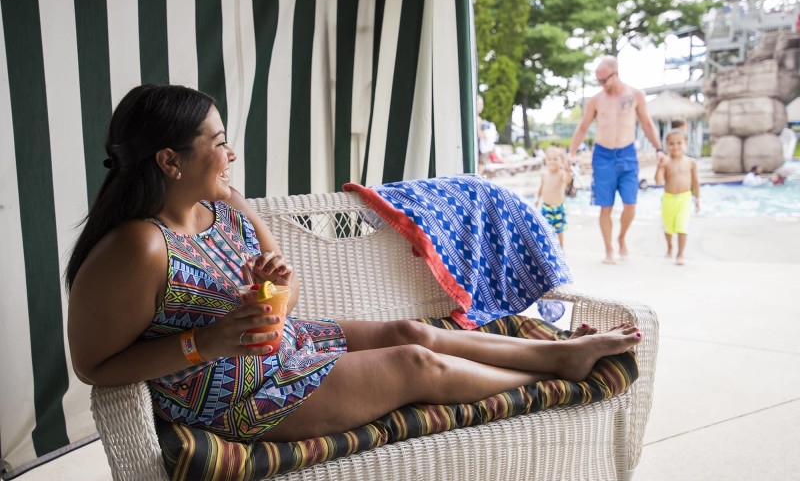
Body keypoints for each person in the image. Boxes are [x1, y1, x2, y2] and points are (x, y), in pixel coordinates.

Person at [66, 84, 643, 444]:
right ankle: (554, 373)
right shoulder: (139, 247)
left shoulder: (226, 205)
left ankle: (556, 352)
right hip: (227, 393)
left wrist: (275, 291)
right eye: (217, 141)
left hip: (284, 344)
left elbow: (285, 296)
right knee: (416, 362)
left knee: (409, 329)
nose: (230, 153)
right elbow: (94, 365)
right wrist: (206, 343)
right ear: (169, 160)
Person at [568, 55, 664, 264]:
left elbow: (647, 124)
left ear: (616, 74)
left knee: (630, 204)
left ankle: (621, 238)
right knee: (606, 206)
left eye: (604, 80)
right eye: (598, 81)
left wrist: (659, 148)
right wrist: (571, 152)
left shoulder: (636, 95)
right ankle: (609, 249)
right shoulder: (596, 100)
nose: (601, 85)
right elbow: (583, 127)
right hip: (603, 155)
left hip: (627, 153)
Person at [654, 130, 699, 266]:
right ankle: (670, 247)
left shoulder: (691, 162)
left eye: (679, 143)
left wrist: (697, 198)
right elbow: (658, 181)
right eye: (672, 144)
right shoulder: (666, 162)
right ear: (666, 145)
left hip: (685, 198)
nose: (675, 146)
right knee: (668, 227)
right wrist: (659, 166)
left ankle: (680, 254)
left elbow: (695, 181)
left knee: (682, 225)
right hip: (668, 198)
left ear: (686, 144)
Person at [535, 146, 571, 248]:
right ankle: (548, 247)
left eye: (555, 159)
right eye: (549, 159)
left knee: (559, 230)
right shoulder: (544, 174)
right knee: (546, 229)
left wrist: (568, 171)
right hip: (546, 207)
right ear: (545, 161)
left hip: (558, 207)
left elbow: (567, 181)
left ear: (562, 161)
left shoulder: (562, 174)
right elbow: (541, 188)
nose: (552, 162)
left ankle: (561, 248)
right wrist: (538, 199)